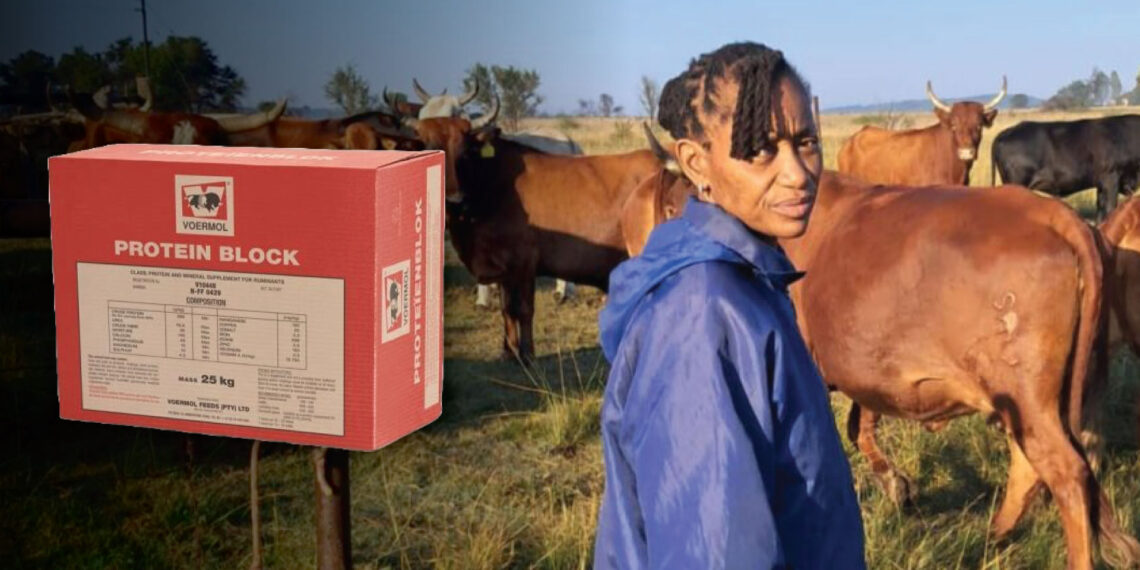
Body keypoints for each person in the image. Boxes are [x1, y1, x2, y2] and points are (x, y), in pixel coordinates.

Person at [593, 42, 866, 569]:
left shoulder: (747, 278)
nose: (798, 172)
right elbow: (713, 550)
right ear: (696, 164)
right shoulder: (703, 314)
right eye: (761, 150)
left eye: (805, 141)